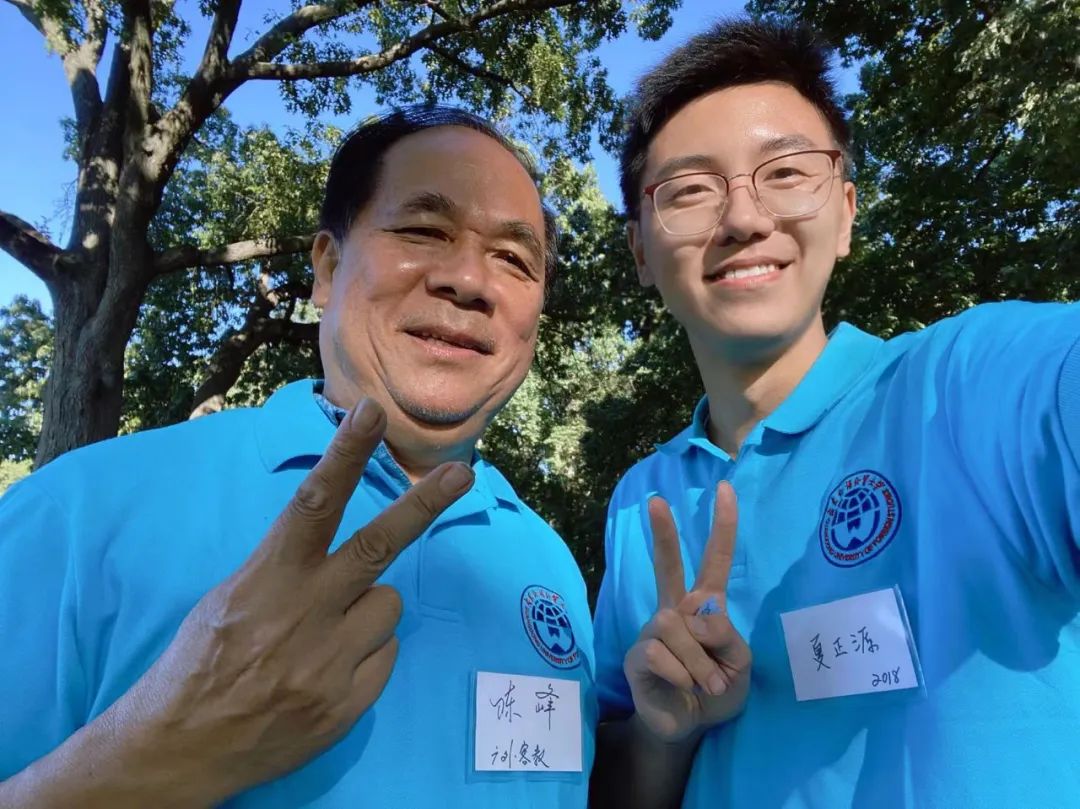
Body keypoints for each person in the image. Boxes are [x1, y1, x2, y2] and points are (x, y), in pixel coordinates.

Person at [0, 106, 596, 808]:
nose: (469, 279)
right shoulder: (76, 514)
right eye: (424, 230)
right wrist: (160, 754)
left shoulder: (550, 565)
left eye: (515, 260)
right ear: (327, 267)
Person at [590, 18, 1079, 809]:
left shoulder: (961, 387)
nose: (744, 219)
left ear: (847, 212)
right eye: (690, 189)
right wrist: (664, 732)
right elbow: (616, 784)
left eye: (786, 173)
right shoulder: (640, 502)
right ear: (641, 251)